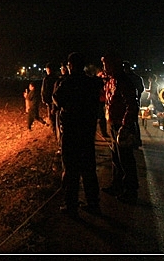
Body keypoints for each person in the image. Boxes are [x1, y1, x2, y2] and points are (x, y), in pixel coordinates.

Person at [52, 52, 103, 216]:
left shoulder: (67, 83)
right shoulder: (91, 83)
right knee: (89, 168)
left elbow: (57, 99)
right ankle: (93, 203)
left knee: (71, 169)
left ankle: (71, 204)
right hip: (87, 132)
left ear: (71, 65)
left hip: (72, 132)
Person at [101, 52, 139, 205]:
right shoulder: (111, 81)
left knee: (126, 159)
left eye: (106, 65)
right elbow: (106, 99)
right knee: (116, 158)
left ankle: (131, 190)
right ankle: (116, 185)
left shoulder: (124, 82)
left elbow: (132, 106)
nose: (104, 67)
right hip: (113, 124)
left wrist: (125, 125)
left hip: (121, 126)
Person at [123, 61, 145, 147]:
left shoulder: (125, 78)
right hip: (135, 102)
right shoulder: (137, 78)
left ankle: (131, 141)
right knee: (134, 122)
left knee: (129, 122)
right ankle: (136, 140)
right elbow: (141, 89)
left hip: (128, 103)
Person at [40, 62, 60, 137]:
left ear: (48, 69)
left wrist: (44, 99)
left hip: (50, 101)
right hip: (57, 101)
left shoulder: (47, 79)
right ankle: (57, 133)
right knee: (57, 118)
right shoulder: (57, 78)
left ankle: (55, 134)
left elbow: (43, 90)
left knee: (52, 118)